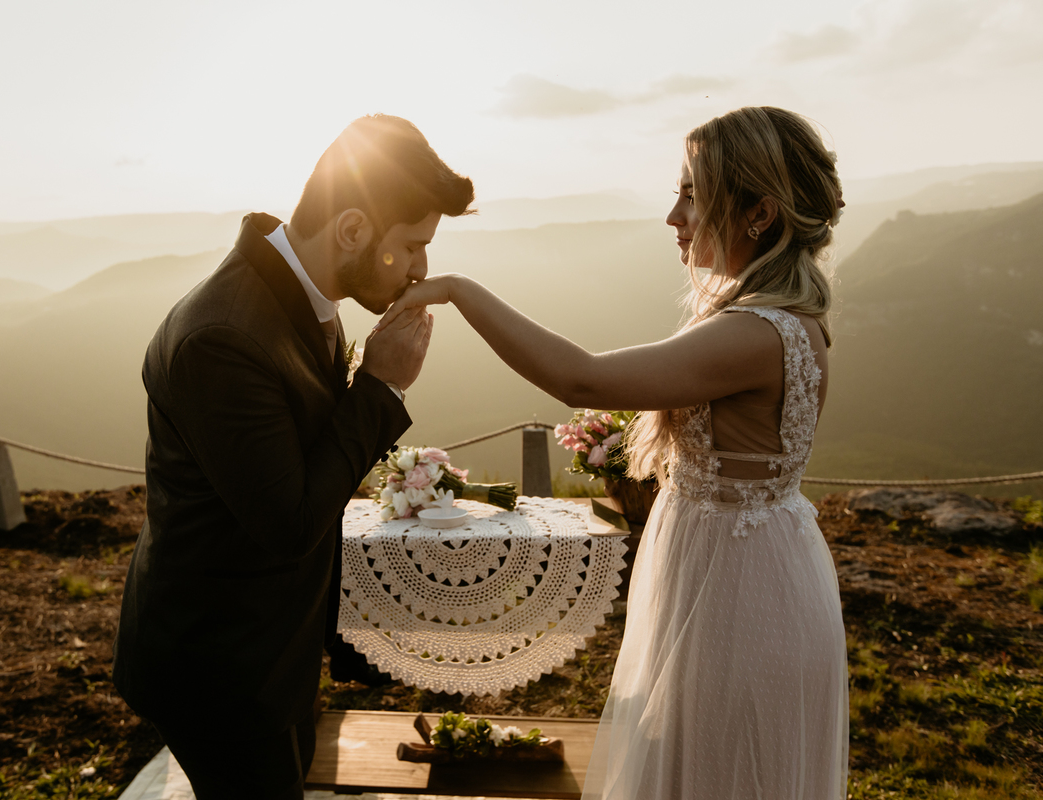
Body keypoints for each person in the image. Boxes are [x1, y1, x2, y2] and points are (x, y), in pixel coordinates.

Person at [378, 106, 848, 799]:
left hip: (737, 591)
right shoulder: (779, 322)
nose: (674, 215)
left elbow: (584, 380)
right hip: (744, 564)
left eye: (692, 192)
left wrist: (459, 290)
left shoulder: (757, 333)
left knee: (715, 769)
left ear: (759, 214)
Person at [113, 114, 474, 799]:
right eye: (414, 245)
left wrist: (340, 633)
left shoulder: (306, 296)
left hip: (272, 651)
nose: (424, 268)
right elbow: (288, 519)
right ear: (351, 230)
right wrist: (381, 385)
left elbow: (308, 465)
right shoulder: (221, 338)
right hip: (218, 668)